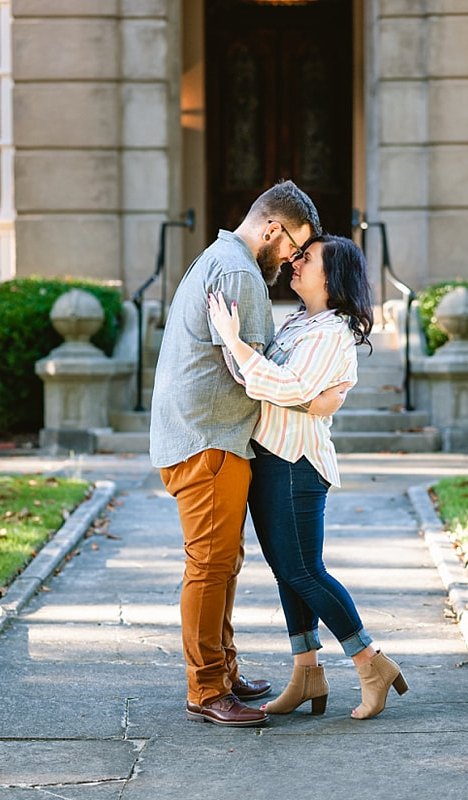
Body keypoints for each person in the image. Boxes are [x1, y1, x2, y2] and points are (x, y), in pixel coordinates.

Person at [150, 180, 341, 727]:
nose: (293, 260)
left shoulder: (224, 258)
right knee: (210, 566)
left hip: (208, 436)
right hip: (208, 439)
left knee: (222, 562)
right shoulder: (238, 270)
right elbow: (255, 373)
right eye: (293, 248)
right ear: (273, 229)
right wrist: (315, 397)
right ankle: (207, 690)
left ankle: (224, 671)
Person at [207, 234, 409, 720]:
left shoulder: (332, 332)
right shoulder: (300, 323)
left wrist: (237, 343)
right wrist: (299, 395)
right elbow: (256, 381)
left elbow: (287, 383)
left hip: (297, 462)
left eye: (306, 258)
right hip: (270, 454)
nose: (293, 263)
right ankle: (306, 673)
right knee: (286, 571)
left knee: (304, 571)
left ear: (333, 275)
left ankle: (371, 663)